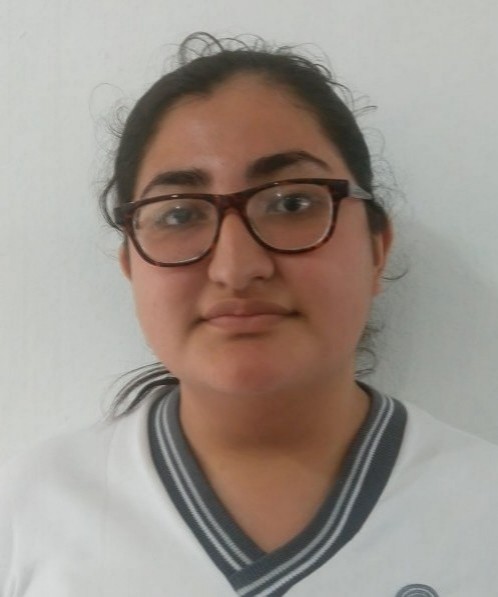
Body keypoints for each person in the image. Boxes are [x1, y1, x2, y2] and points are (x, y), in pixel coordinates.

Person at [1, 33, 497, 597]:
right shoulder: (27, 515)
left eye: (292, 203)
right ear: (131, 266)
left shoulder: (481, 510)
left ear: (376, 249)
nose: (236, 268)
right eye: (179, 214)